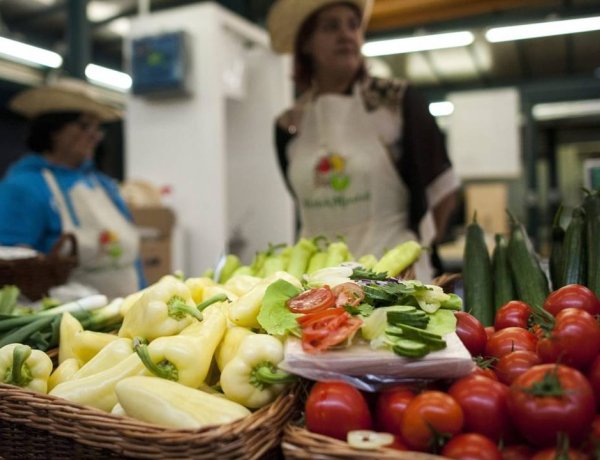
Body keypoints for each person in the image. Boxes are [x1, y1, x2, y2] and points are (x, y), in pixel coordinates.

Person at [267, 0, 460, 282]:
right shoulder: (289, 125)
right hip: (319, 283)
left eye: (353, 25)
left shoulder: (399, 103)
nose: (346, 34)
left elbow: (444, 191)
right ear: (306, 43)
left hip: (394, 279)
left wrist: (417, 250)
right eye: (331, 26)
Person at [0, 78, 146, 298]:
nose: (95, 136)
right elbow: (12, 271)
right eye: (85, 125)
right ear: (54, 129)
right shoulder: (23, 187)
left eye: (98, 128)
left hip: (127, 314)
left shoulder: (104, 185)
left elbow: (132, 260)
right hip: (68, 322)